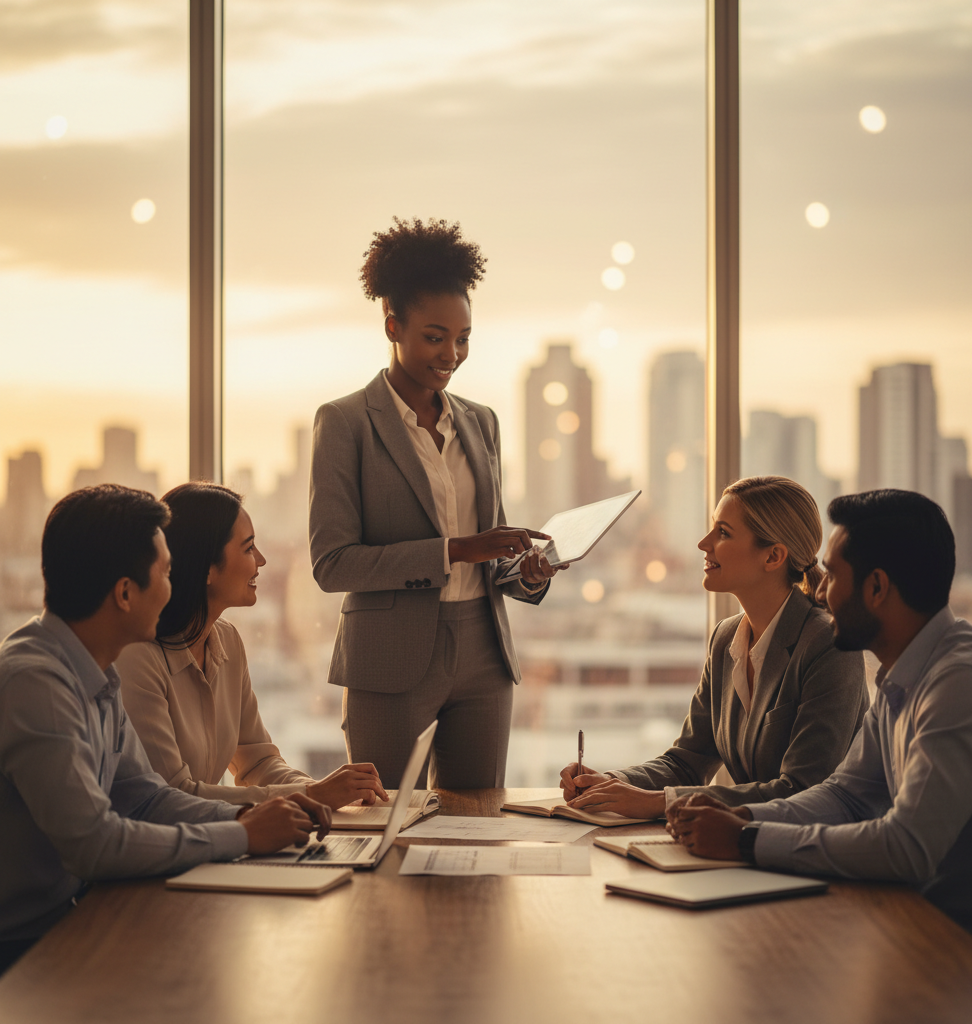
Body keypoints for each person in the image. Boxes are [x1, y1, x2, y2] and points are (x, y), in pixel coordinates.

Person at [667, 489, 972, 970]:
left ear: (876, 588)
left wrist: (745, 841)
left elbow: (907, 848)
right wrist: (746, 820)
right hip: (919, 927)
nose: (818, 590)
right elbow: (847, 796)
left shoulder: (962, 684)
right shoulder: (904, 674)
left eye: (833, 575)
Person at [0, 486, 331, 975]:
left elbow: (148, 799)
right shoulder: (37, 683)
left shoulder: (96, 672)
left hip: (75, 916)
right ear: (125, 593)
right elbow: (96, 844)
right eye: (167, 574)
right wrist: (241, 836)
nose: (175, 591)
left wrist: (252, 815)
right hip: (24, 942)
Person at [309, 217, 563, 789]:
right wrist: (454, 550)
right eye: (434, 336)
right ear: (392, 326)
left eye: (464, 337)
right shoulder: (345, 423)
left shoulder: (482, 422)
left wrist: (527, 573)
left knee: (479, 827)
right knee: (387, 833)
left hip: (484, 654)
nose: (451, 353)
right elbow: (332, 565)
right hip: (390, 658)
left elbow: (488, 553)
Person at [559, 476, 867, 818]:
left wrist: (657, 803)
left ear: (774, 556)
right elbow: (686, 762)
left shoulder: (829, 644)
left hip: (822, 850)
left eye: (723, 533)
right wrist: (611, 782)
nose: (703, 544)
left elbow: (803, 789)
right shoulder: (725, 639)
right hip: (751, 844)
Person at [116, 482, 389, 809]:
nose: (260, 560)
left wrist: (326, 790)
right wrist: (310, 796)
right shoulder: (137, 657)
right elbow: (173, 795)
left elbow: (257, 762)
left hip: (213, 835)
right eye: (248, 548)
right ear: (206, 567)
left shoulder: (228, 641)